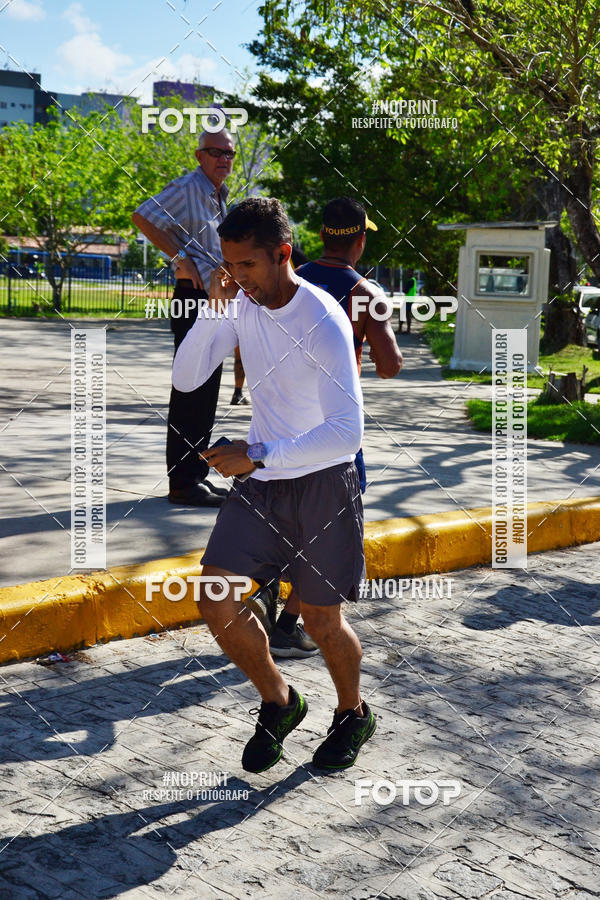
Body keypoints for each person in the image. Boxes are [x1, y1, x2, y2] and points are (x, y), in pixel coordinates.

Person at [172, 197, 376, 773]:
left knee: (320, 621)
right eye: (229, 266)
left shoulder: (323, 320)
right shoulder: (238, 303)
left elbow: (346, 434)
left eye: (248, 266)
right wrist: (213, 311)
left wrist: (256, 454)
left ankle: (353, 712)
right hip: (261, 489)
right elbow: (186, 378)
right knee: (215, 596)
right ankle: (280, 701)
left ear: (283, 254)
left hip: (322, 486)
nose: (238, 278)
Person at [256, 196, 402, 660]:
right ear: (359, 241)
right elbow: (390, 367)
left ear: (322, 236)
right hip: (333, 430)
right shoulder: (364, 291)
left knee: (282, 516)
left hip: (279, 422)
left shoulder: (290, 279)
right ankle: (289, 625)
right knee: (326, 531)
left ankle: (263, 598)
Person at [132, 128, 235, 507]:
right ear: (199, 155)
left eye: (230, 154)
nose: (224, 159)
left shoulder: (217, 194)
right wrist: (179, 259)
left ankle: (194, 475)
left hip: (213, 300)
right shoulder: (189, 186)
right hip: (194, 299)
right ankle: (183, 482)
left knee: (206, 390)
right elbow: (143, 216)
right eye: (216, 152)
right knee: (191, 390)